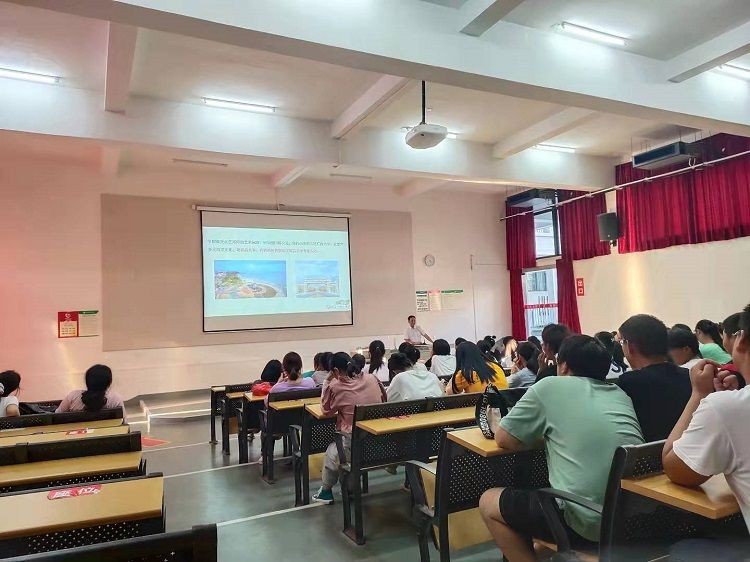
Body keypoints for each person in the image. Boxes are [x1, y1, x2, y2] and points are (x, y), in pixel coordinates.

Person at [479, 335, 644, 560]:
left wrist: (545, 435)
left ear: (564, 366)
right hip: (631, 521)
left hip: (586, 522)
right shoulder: (619, 394)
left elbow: (503, 438)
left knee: (488, 501)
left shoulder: (550, 386)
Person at [663, 303, 750, 556]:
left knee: (684, 549)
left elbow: (674, 467)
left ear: (742, 341)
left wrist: (699, 394)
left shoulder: (727, 407)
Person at [312, 352, 386, 504]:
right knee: (347, 448)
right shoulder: (372, 378)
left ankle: (325, 491)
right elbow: (384, 399)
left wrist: (326, 382)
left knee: (334, 452)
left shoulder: (335, 386)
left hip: (354, 444)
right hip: (378, 443)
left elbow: (326, 410)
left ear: (335, 371)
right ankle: (350, 489)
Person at [616, 315, 691, 442]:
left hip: (653, 452)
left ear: (630, 346)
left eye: (622, 342)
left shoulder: (628, 382)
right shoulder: (689, 375)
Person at [56, 364, 124, 413]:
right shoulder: (116, 399)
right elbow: (123, 423)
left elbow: (57, 415)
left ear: (87, 381)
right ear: (109, 382)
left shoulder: (73, 396)